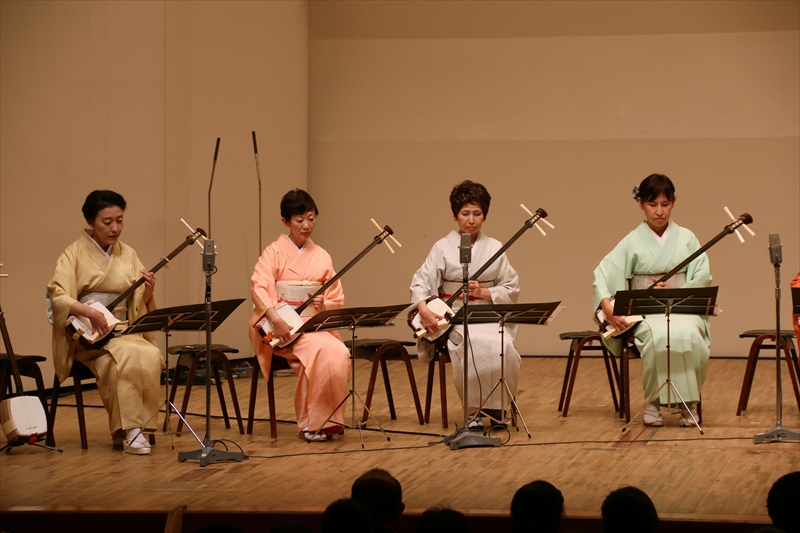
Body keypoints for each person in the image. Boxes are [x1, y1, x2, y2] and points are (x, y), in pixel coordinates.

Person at [47, 190, 164, 455]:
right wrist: (87, 312)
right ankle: (132, 431)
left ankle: (133, 428)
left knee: (149, 353)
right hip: (89, 336)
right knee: (125, 354)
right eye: (107, 222)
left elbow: (137, 302)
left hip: (121, 329)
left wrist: (147, 291)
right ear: (91, 221)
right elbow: (58, 295)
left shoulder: (128, 253)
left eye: (119, 221)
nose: (115, 228)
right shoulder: (73, 254)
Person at [593, 174, 712, 427]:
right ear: (641, 204)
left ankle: (688, 403)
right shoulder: (631, 241)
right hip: (646, 312)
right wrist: (607, 305)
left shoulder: (687, 238)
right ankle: (653, 402)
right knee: (659, 336)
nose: (659, 211)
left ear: (673, 203)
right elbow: (602, 273)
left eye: (665, 204)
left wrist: (676, 291)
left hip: (682, 309)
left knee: (690, 334)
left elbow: (702, 276)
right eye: (652, 204)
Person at [410, 180, 520, 429]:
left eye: (477, 214)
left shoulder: (495, 247)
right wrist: (423, 309)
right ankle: (473, 412)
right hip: (454, 318)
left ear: (485, 216)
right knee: (472, 343)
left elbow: (511, 286)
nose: (471, 220)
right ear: (455, 215)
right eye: (465, 214)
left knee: (505, 346)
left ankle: (498, 409)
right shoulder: (442, 247)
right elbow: (420, 283)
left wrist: (485, 291)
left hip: (487, 315)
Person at [249, 189, 350, 442]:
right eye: (299, 219)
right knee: (318, 352)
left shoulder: (322, 256)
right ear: (285, 221)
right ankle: (310, 424)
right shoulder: (272, 252)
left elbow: (336, 296)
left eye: (311, 218)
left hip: (314, 325)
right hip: (280, 326)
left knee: (339, 352)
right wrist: (276, 318)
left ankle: (329, 421)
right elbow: (259, 287)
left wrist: (323, 303)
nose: (306, 225)